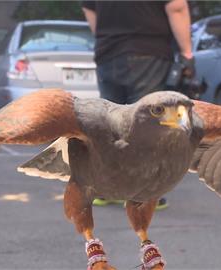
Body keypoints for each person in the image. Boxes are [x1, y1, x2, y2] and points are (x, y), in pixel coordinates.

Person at [81, 0, 195, 210]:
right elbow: (177, 7)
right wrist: (187, 52)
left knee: (111, 122)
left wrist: (110, 36)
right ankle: (146, 193)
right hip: (148, 51)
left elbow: (89, 8)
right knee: (148, 125)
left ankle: (108, 189)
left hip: (108, 53)